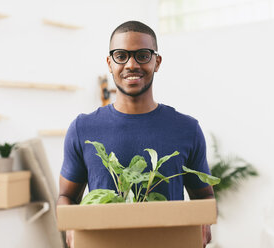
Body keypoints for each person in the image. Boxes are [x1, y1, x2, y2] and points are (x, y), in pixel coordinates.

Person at [57, 20, 215, 248]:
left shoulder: (187, 129)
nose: (131, 64)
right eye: (121, 55)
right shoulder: (83, 128)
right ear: (109, 63)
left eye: (142, 55)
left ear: (157, 62)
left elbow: (204, 197)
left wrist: (204, 224)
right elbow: (67, 197)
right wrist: (70, 225)